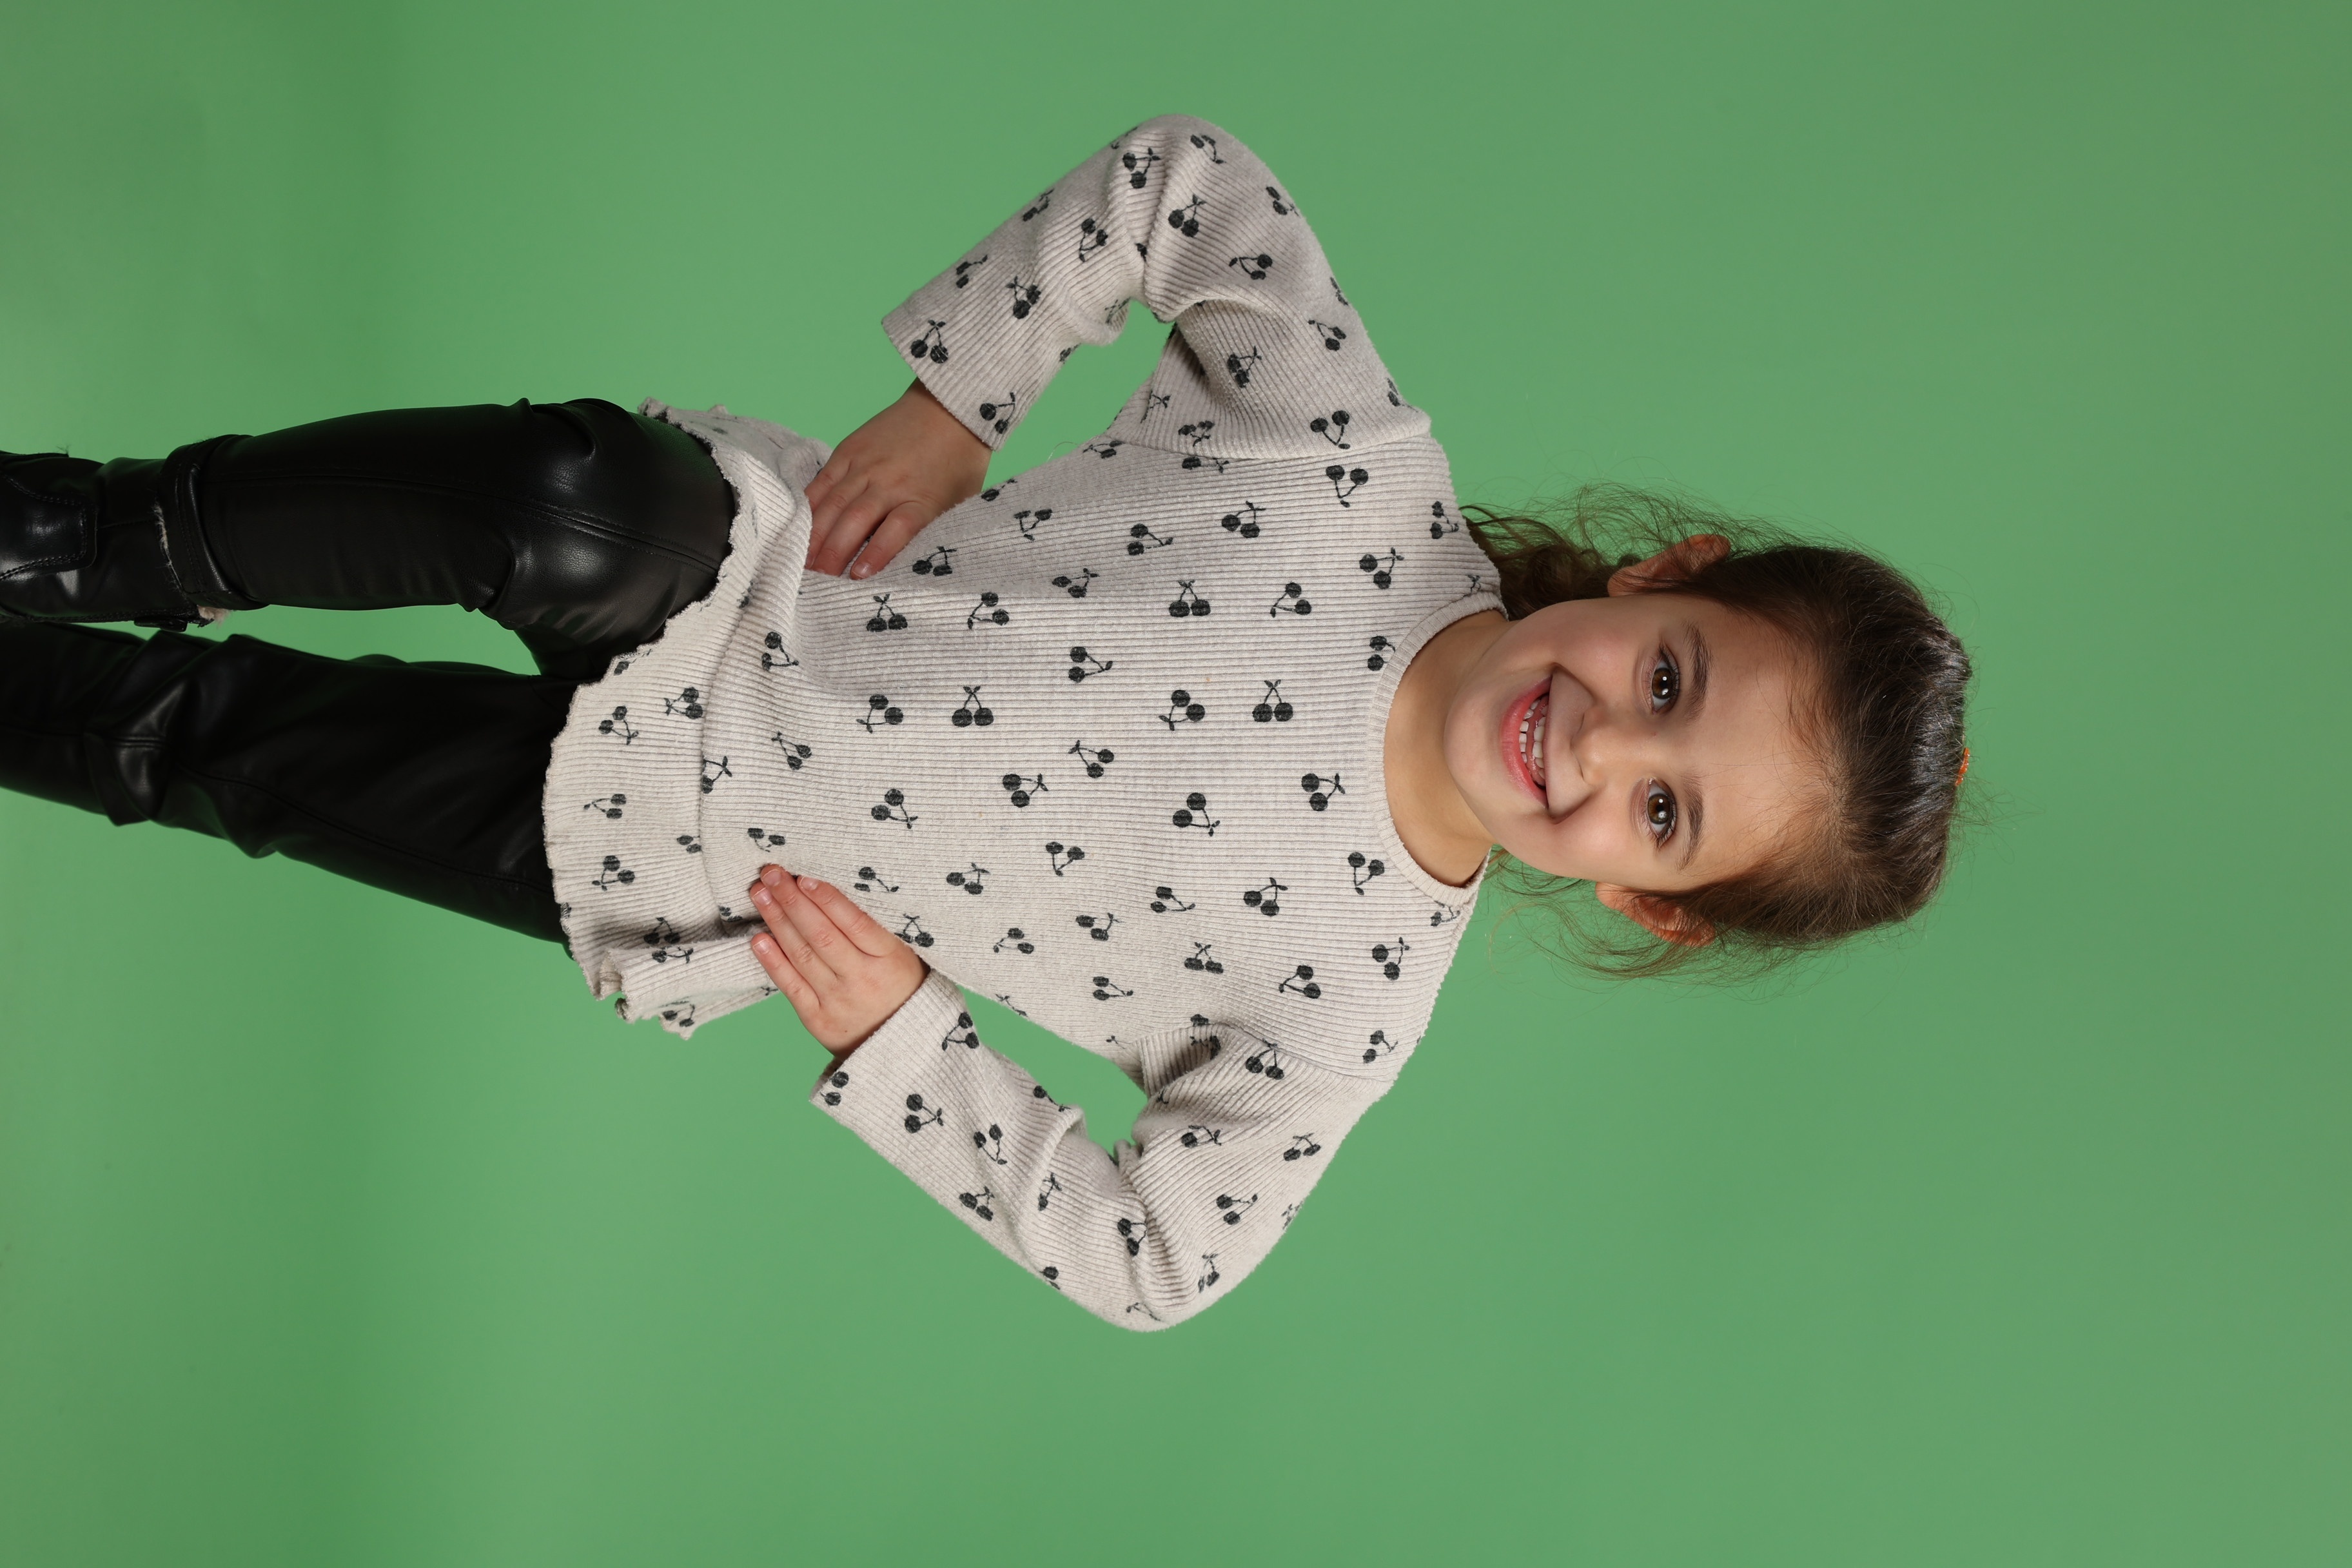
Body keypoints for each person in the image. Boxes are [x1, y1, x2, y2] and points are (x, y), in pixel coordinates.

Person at [0, 114, 1971, 1328]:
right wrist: (963, 399)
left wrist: (906, 1047)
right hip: (748, 582)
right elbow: (1192, 182)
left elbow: (1158, 1260)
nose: (1601, 749)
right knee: (559, 499)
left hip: (697, 856)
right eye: (1669, 681)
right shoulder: (1356, 465)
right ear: (1665, 576)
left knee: (215, 746)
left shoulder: (1350, 1004)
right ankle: (79, 526)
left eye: (1662, 812)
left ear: (1651, 903)